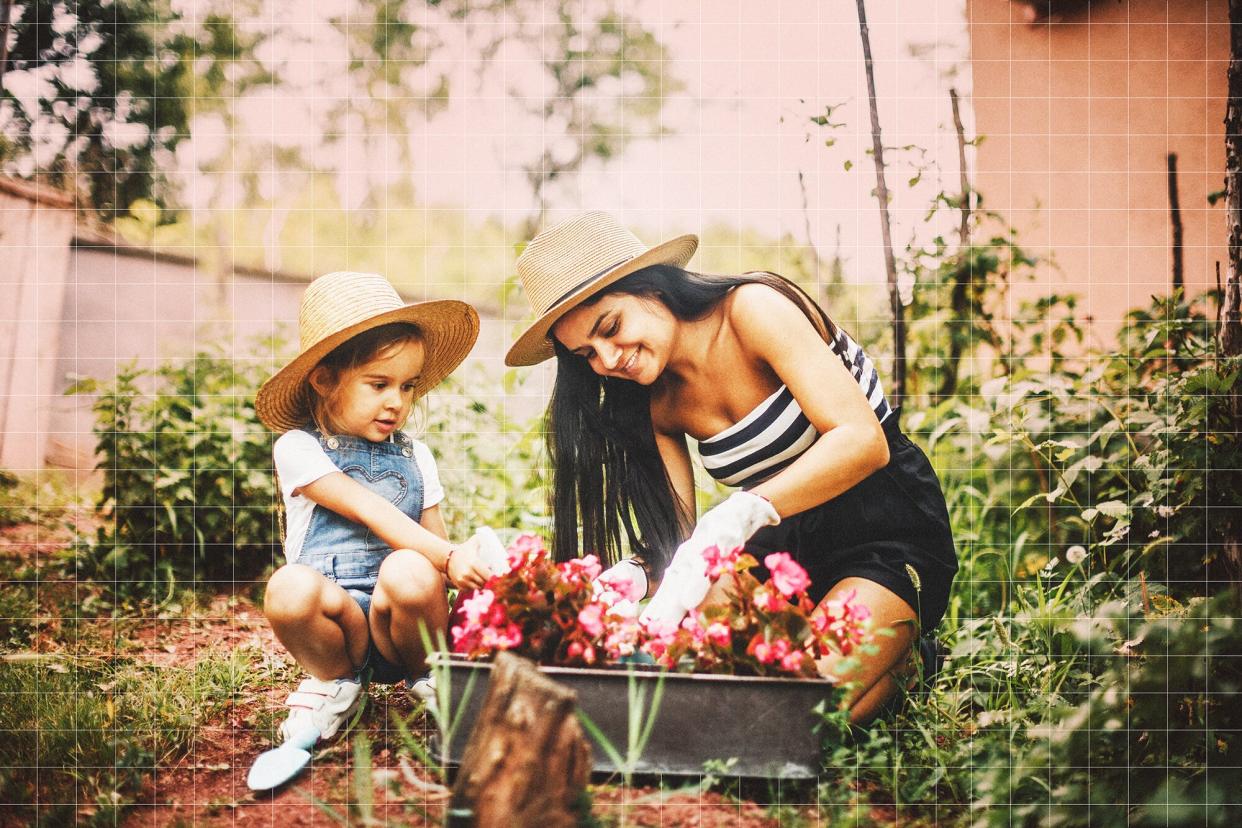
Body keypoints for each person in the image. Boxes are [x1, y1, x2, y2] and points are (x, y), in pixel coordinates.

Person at [506, 212, 958, 724]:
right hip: (782, 544)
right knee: (725, 689)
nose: (608, 360)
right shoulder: (656, 403)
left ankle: (909, 663)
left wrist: (739, 511)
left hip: (882, 523)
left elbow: (863, 442)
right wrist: (629, 584)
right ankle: (861, 662)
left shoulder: (751, 309)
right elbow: (681, 547)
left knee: (797, 715)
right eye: (587, 353)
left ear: (653, 287)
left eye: (610, 327)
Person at [255, 270, 493, 744]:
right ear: (325, 380)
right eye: (378, 384)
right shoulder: (298, 448)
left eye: (407, 386)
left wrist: (465, 563)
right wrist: (448, 556)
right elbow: (367, 507)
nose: (397, 403)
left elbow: (434, 547)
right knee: (287, 589)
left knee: (410, 566)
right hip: (337, 629)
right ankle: (335, 684)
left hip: (398, 631)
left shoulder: (417, 457)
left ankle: (431, 678)